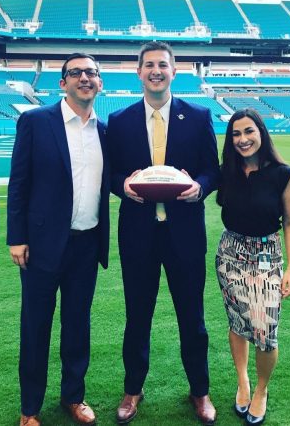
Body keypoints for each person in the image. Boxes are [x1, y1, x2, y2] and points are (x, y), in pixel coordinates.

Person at [107, 41, 220, 425]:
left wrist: (199, 187)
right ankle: (132, 390)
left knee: (193, 317)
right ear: (139, 72)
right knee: (137, 316)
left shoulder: (200, 115)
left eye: (163, 65)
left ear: (175, 71)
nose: (156, 71)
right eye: (149, 65)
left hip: (185, 234)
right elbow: (109, 174)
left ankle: (200, 392)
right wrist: (122, 185)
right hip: (138, 234)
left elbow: (212, 169)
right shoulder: (119, 120)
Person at [7, 53, 109, 426]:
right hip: (41, 245)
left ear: (100, 83)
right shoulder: (36, 121)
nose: (85, 77)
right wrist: (16, 237)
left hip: (86, 245)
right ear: (62, 83)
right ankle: (30, 408)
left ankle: (73, 396)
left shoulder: (103, 131)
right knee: (36, 326)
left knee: (77, 324)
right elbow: (19, 183)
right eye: (76, 72)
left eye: (91, 72)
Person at [215, 108, 290, 426]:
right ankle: (243, 381)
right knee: (238, 322)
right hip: (230, 253)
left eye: (249, 131)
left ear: (261, 133)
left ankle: (261, 389)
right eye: (236, 134)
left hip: (266, 255)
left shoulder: (284, 174)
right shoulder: (228, 171)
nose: (242, 139)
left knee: (265, 331)